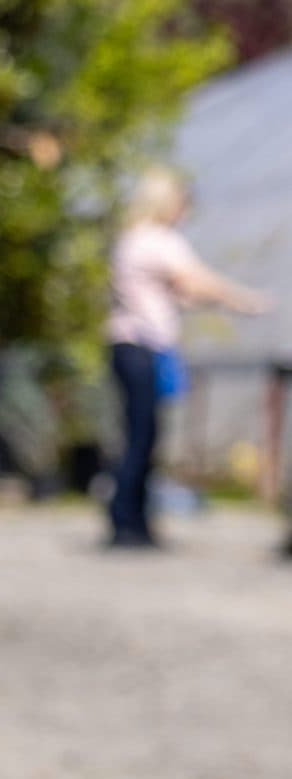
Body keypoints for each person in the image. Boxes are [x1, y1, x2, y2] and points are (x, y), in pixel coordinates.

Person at [106, 167, 270, 549]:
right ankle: (127, 522)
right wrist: (245, 301)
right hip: (142, 347)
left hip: (126, 348)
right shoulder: (157, 240)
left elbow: (180, 292)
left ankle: (133, 519)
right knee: (142, 439)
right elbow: (197, 280)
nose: (187, 211)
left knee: (138, 436)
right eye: (183, 203)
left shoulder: (130, 239)